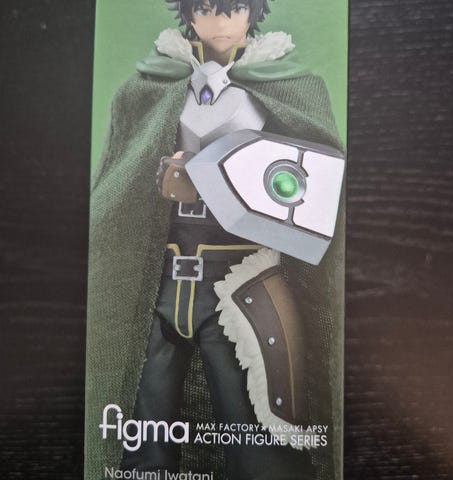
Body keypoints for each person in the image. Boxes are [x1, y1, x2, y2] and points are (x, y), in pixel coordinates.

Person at [85, 1, 344, 479]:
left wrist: (222, 177)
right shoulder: (149, 87)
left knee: (259, 438)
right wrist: (158, 178)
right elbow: (118, 187)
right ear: (188, 15)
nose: (220, 22)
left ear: (253, 13)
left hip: (239, 282)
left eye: (234, 8)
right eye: (205, 9)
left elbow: (313, 185)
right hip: (158, 285)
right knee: (140, 441)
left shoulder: (289, 86)